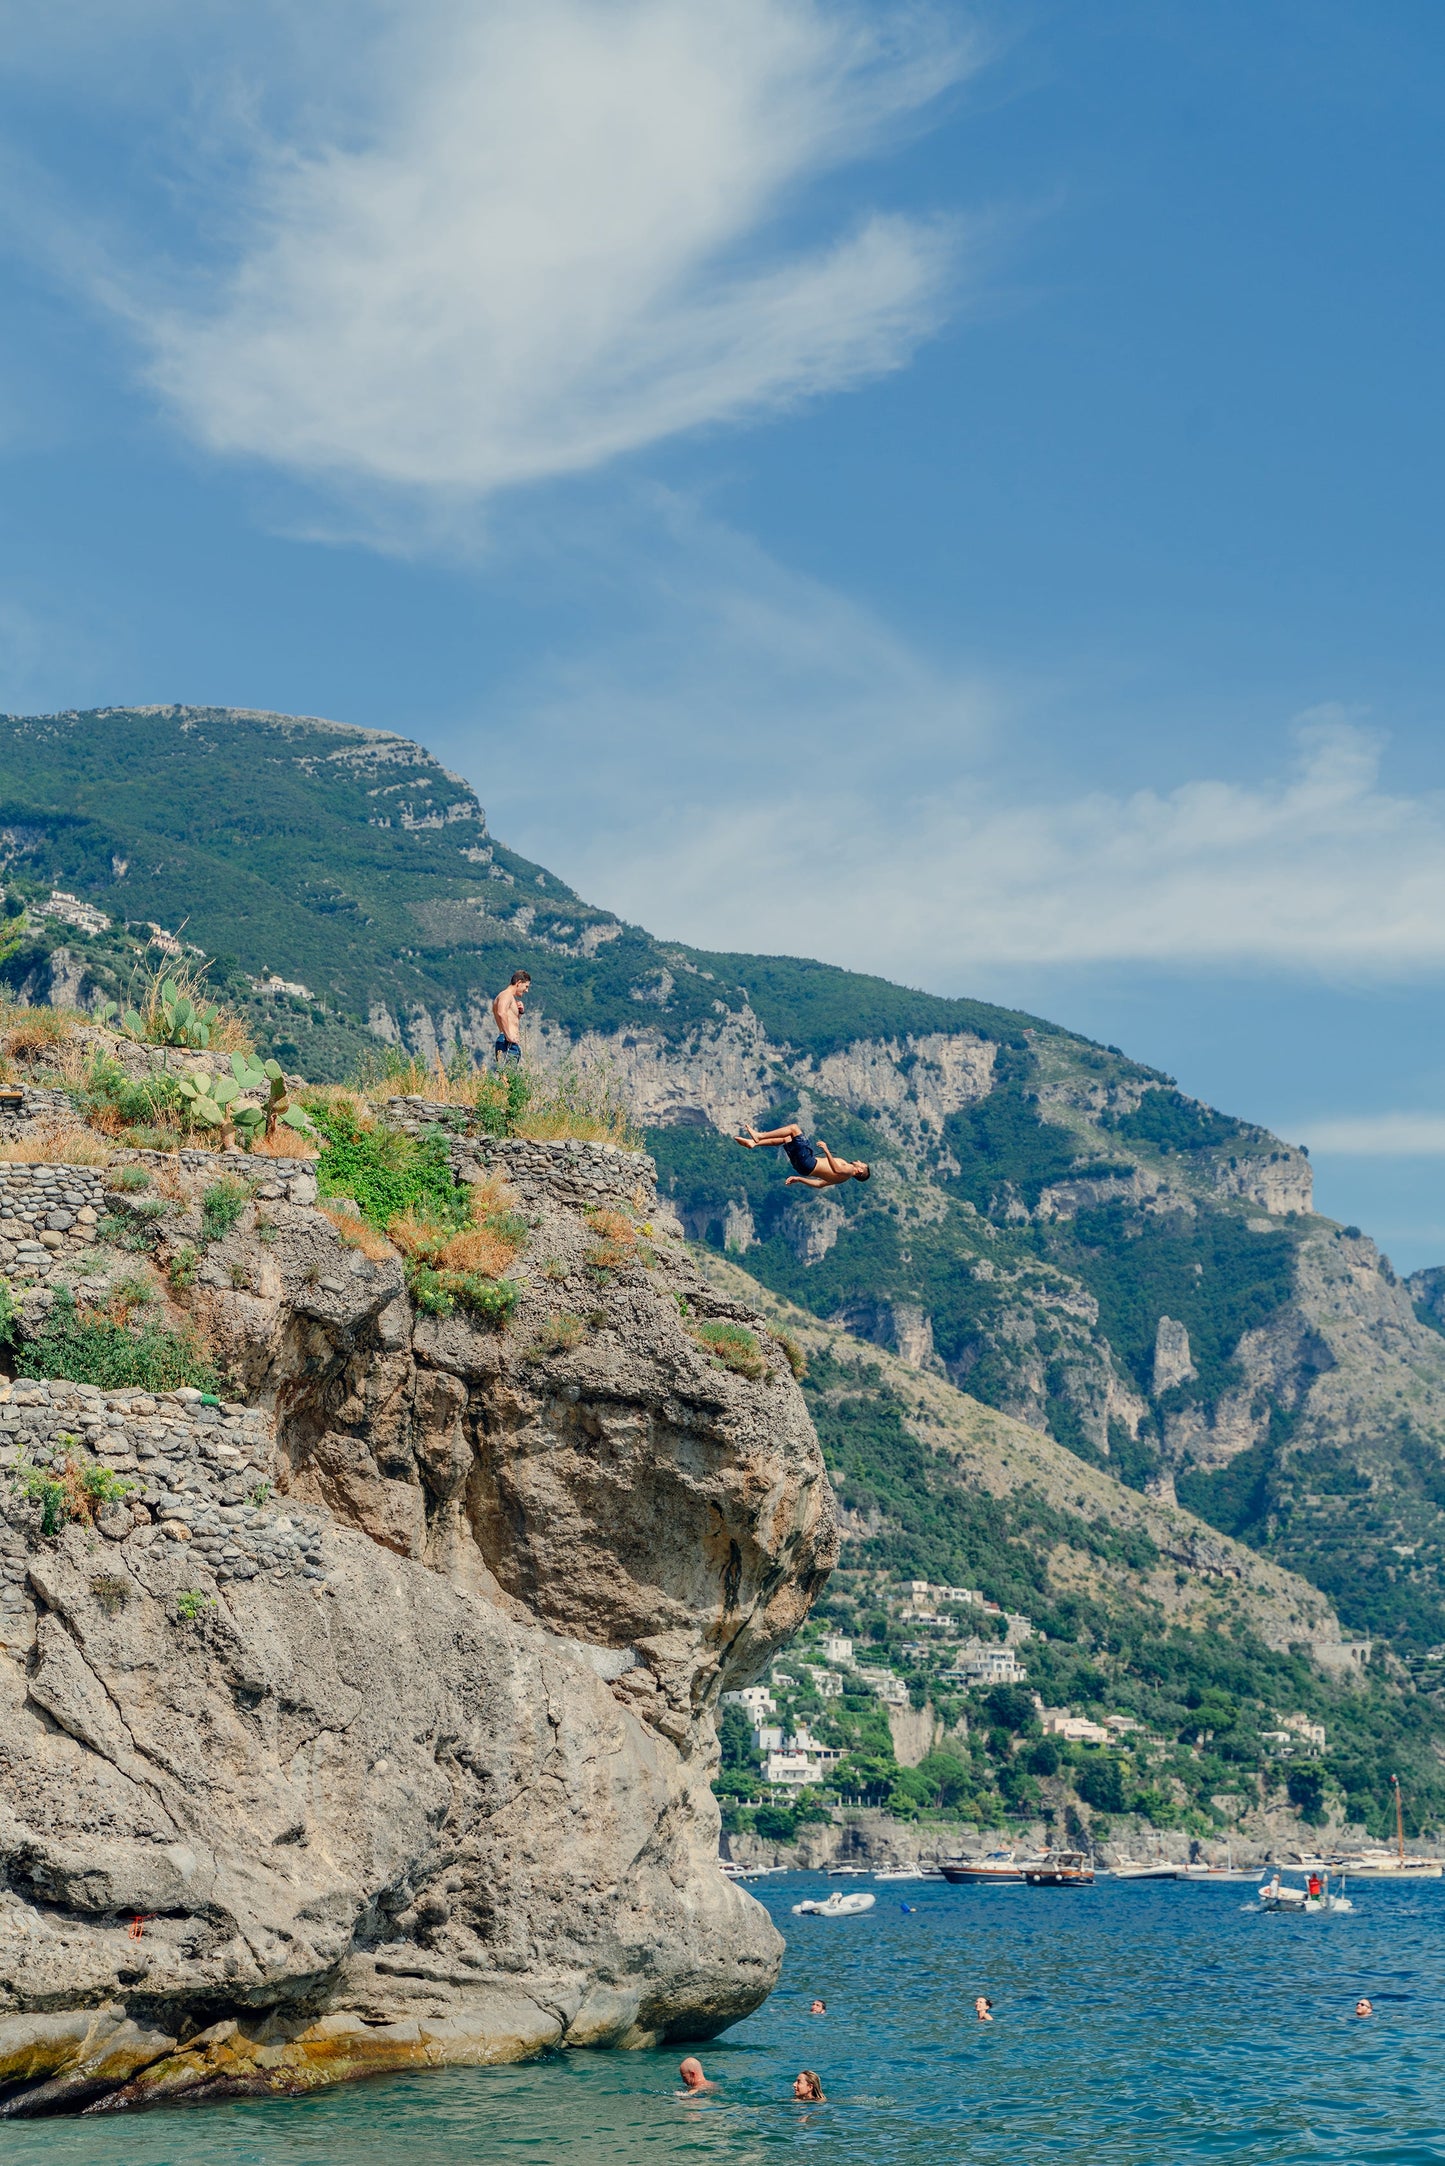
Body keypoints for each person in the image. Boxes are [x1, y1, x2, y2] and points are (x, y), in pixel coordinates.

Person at [734, 1121, 869, 1190]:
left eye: (862, 1163)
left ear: (860, 1170)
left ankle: (759, 1136)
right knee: (786, 1138)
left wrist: (826, 1150)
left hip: (809, 1162)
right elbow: (819, 1185)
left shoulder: (850, 1170)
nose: (859, 1161)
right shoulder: (841, 1180)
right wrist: (799, 1179)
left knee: (794, 1128)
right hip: (803, 1168)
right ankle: (754, 1143)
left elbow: (837, 1169)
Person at [491, 970, 530, 1064]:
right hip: (506, 1042)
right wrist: (508, 1036)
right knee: (506, 1076)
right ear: (519, 982)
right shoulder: (506, 995)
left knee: (510, 1077)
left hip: (510, 1043)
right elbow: (501, 1013)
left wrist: (519, 1012)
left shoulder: (510, 997)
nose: (527, 990)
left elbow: (510, 1020)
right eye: (526, 986)